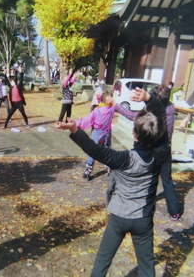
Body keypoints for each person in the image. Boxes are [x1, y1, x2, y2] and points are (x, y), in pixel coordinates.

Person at [56, 88, 166, 277]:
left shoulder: (123, 159)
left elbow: (95, 150)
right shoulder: (161, 155)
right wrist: (150, 99)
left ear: (134, 134)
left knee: (103, 258)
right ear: (158, 136)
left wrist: (75, 129)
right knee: (147, 265)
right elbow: (161, 121)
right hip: (143, 218)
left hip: (119, 217)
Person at [110, 85, 181, 220]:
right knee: (167, 180)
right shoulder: (171, 108)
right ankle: (174, 211)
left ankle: (141, 206)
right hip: (166, 148)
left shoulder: (153, 112)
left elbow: (133, 116)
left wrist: (116, 105)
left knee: (147, 178)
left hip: (153, 149)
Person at [76, 89, 115, 180]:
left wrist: (75, 124)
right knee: (107, 151)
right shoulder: (112, 110)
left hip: (97, 134)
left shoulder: (97, 111)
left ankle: (88, 171)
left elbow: (85, 121)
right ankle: (110, 168)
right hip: (107, 134)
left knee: (92, 151)